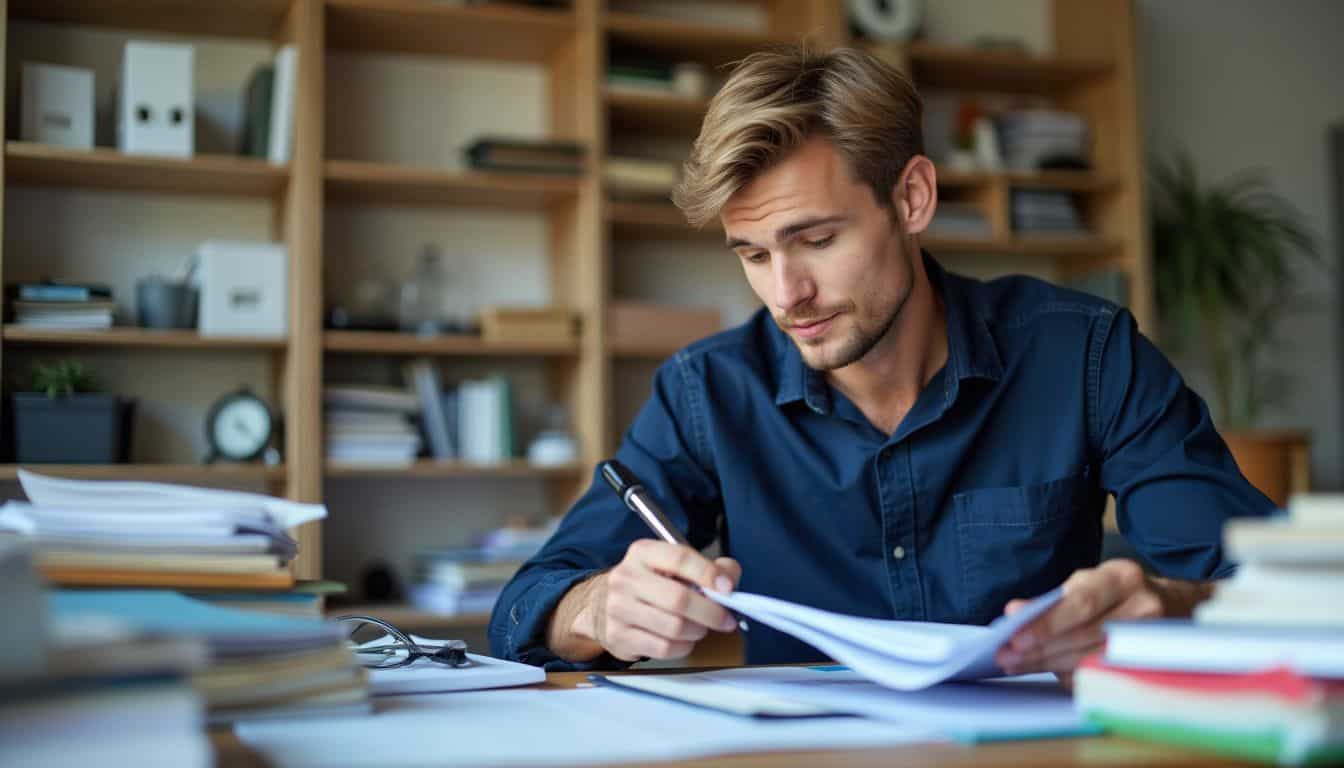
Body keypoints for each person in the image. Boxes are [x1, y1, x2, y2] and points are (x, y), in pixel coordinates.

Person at [488, 45, 1274, 685]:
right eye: (753, 255)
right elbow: (527, 602)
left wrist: (1164, 602)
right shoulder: (708, 392)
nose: (786, 294)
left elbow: (1271, 590)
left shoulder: (1084, 355)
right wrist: (594, 609)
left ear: (912, 199)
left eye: (817, 240)